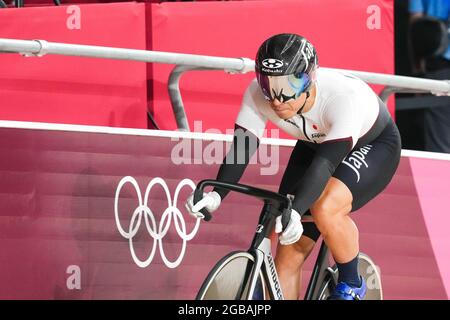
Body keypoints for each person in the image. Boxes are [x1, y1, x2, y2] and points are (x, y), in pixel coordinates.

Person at [186, 33, 402, 300]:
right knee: (287, 255)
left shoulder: (342, 99)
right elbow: (242, 149)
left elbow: (325, 165)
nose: (277, 99)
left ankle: (351, 283)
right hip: (316, 144)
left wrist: (298, 210)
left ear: (310, 78)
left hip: (373, 145)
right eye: (268, 84)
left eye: (289, 85)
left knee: (325, 207)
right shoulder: (257, 95)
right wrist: (217, 194)